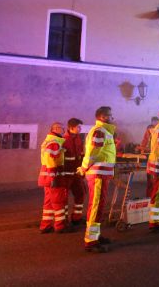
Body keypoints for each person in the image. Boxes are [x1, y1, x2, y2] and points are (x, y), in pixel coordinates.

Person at [77, 106, 116, 253]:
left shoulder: (104, 131)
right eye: (110, 115)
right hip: (98, 174)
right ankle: (91, 241)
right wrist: (84, 167)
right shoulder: (100, 131)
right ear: (103, 117)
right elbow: (92, 153)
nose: (112, 117)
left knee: (99, 206)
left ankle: (96, 236)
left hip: (101, 174)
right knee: (96, 205)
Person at [38, 122, 69, 234]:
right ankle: (60, 226)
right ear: (55, 129)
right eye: (62, 128)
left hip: (47, 177)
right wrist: (53, 178)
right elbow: (51, 161)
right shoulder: (54, 142)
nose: (64, 130)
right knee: (58, 201)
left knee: (49, 202)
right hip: (54, 177)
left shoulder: (49, 141)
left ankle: (45, 225)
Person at [62, 118, 85, 225]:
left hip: (77, 173)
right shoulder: (64, 140)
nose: (80, 129)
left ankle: (77, 218)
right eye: (78, 127)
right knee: (64, 198)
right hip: (66, 174)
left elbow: (80, 154)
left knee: (81, 194)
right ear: (71, 127)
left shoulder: (78, 138)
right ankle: (64, 220)